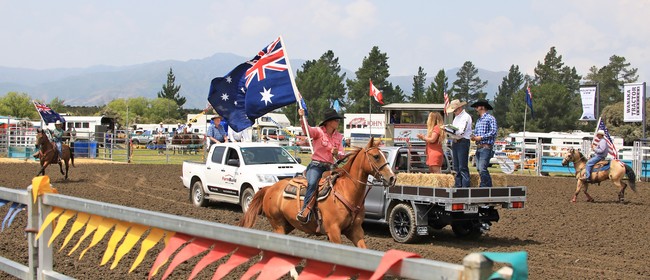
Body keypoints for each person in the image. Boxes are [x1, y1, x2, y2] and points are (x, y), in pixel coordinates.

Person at [296, 108, 345, 223]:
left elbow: (341, 155)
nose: (338, 122)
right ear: (329, 122)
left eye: (338, 120)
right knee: (312, 183)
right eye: (336, 120)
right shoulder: (318, 131)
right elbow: (306, 130)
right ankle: (305, 211)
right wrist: (303, 118)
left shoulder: (339, 136)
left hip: (331, 167)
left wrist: (337, 154)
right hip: (316, 165)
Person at [470, 100, 498, 188]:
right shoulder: (479, 120)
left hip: (486, 146)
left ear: (482, 107)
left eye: (477, 106)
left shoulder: (490, 118)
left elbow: (493, 132)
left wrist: (481, 137)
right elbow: (478, 133)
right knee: (479, 168)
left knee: (482, 168)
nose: (476, 108)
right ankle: (488, 186)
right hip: (479, 147)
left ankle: (484, 186)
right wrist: (474, 137)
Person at [446, 99, 472, 188]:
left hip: (462, 141)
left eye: (455, 110)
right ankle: (458, 186)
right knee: (456, 167)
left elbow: (461, 131)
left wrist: (450, 131)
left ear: (460, 108)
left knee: (462, 167)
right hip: (456, 142)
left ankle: (465, 188)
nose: (454, 112)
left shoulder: (466, 117)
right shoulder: (457, 117)